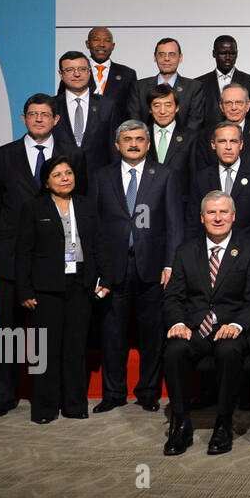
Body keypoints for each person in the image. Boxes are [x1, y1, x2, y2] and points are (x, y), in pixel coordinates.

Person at [0, 95, 87, 417]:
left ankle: (53, 398)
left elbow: (79, 205)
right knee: (9, 331)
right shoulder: (1, 156)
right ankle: (4, 397)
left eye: (46, 114)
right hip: (12, 255)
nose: (39, 119)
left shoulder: (72, 155)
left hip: (57, 264)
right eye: (33, 114)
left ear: (57, 119)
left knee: (50, 335)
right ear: (23, 117)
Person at [89, 119, 183, 413]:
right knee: (112, 335)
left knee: (152, 336)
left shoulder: (165, 175)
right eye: (127, 139)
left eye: (139, 139)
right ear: (117, 145)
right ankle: (113, 393)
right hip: (112, 269)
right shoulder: (101, 177)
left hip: (153, 269)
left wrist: (170, 263)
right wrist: (96, 269)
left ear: (148, 143)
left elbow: (175, 224)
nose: (133, 143)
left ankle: (147, 393)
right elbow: (92, 226)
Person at [161, 190, 250, 456]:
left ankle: (223, 425)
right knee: (174, 350)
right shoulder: (185, 252)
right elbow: (173, 296)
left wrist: (238, 326)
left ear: (233, 216)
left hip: (232, 328)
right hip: (195, 328)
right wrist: (178, 323)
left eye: (223, 212)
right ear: (201, 217)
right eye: (211, 212)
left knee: (229, 350)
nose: (218, 218)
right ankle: (181, 425)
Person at [14, 156, 108, 423]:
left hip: (81, 284)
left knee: (75, 348)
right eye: (57, 174)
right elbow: (23, 252)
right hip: (46, 288)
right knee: (46, 349)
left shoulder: (87, 206)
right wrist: (25, 290)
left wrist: (107, 280)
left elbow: (99, 244)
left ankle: (74, 404)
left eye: (68, 173)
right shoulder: (33, 208)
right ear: (46, 182)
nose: (65, 178)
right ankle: (45, 408)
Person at [188, 121, 250, 246]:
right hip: (209, 252)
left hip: (247, 253)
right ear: (213, 145)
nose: (228, 147)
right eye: (222, 141)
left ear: (241, 145)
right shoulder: (201, 178)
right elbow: (193, 223)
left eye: (233, 141)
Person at [53, 49, 119, 175]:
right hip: (60, 178)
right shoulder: (51, 106)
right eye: (70, 70)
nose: (77, 74)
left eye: (82, 69)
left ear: (89, 72)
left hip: (98, 179)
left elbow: (114, 147)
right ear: (61, 74)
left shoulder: (108, 106)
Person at [126, 37, 206, 132]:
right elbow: (135, 121)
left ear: (180, 58)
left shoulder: (194, 87)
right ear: (155, 58)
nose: (166, 59)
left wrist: (180, 144)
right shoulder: (139, 87)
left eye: (172, 54)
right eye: (161, 55)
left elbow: (195, 122)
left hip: (184, 145)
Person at [194, 82, 250, 172]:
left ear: (248, 105)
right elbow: (203, 173)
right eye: (228, 103)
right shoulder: (206, 135)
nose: (234, 108)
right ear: (221, 107)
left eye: (239, 103)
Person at [144, 84, 196, 206]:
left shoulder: (191, 137)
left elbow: (194, 177)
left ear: (177, 107)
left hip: (180, 204)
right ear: (150, 109)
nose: (162, 111)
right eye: (156, 105)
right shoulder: (141, 137)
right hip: (145, 205)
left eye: (168, 105)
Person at [193, 35, 250, 128]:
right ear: (214, 53)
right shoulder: (199, 83)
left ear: (237, 54)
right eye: (223, 53)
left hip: (242, 138)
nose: (228, 57)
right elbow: (196, 117)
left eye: (232, 53)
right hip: (208, 138)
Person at [79, 26, 137, 114]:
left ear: (113, 46)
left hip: (117, 127)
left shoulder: (127, 74)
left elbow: (133, 109)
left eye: (107, 41)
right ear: (87, 44)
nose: (102, 44)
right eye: (96, 39)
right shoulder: (75, 72)